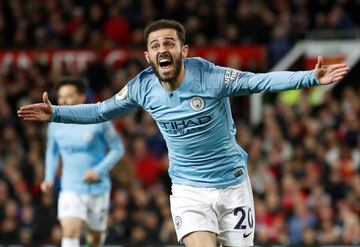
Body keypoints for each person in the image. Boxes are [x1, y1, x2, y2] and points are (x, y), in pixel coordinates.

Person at [18, 20, 349, 247]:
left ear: (183, 50)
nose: (163, 48)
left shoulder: (211, 76)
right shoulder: (142, 87)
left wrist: (309, 78)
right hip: (189, 189)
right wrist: (56, 113)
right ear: (148, 56)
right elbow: (101, 110)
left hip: (233, 184)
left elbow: (258, 80)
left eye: (169, 43)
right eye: (155, 45)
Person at [40, 78, 124, 247]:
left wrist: (98, 171)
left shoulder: (99, 119)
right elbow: (52, 151)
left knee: (95, 239)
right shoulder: (55, 123)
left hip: (98, 188)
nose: (63, 101)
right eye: (61, 97)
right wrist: (48, 178)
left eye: (68, 96)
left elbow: (118, 148)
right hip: (70, 187)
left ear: (81, 97)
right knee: (70, 231)